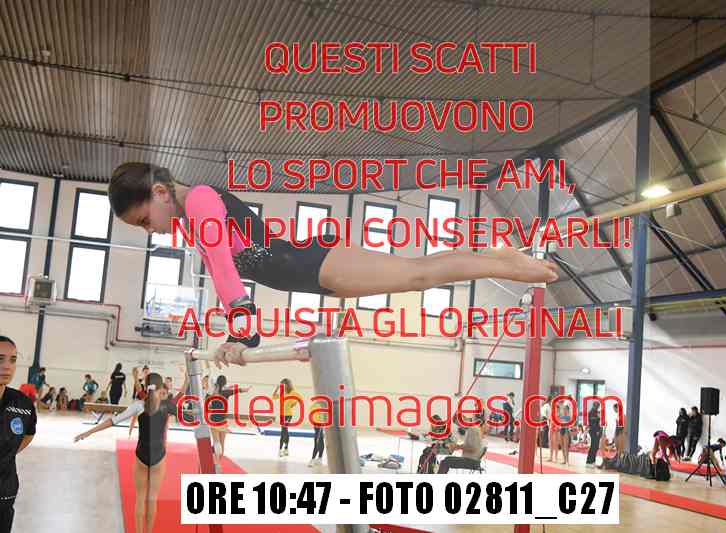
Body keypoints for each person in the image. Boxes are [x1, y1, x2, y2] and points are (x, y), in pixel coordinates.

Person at [106, 163, 559, 367]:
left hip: (313, 263)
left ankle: (502, 265)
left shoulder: (201, 200)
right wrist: (237, 332)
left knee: (417, 276)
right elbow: (225, 276)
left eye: (144, 220)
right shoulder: (192, 216)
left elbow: (225, 270)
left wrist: (243, 332)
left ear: (159, 193)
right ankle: (495, 257)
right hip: (310, 269)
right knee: (415, 269)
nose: (150, 230)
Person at [75, 371, 187, 533]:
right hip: (158, 457)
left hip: (141, 455)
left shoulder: (139, 405)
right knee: (152, 498)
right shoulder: (167, 405)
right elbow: (184, 406)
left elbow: (112, 421)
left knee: (140, 498)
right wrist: (187, 380)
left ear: (146, 386)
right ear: (160, 387)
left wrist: (89, 432)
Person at [0, 335, 37, 533]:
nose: (7, 366)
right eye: (0, 359)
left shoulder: (23, 403)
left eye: (12, 360)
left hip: (5, 487)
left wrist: (8, 452)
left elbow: (29, 433)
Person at [208, 375, 251, 469]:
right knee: (222, 443)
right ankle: (218, 463)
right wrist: (246, 389)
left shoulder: (213, 393)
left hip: (213, 420)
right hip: (222, 421)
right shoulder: (226, 393)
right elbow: (238, 390)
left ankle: (215, 461)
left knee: (216, 442)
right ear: (225, 383)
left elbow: (209, 404)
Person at [272, 378, 302, 458]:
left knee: (283, 431)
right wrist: (277, 388)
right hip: (282, 414)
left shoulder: (292, 392)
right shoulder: (282, 393)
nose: (282, 386)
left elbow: (300, 398)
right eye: (281, 385)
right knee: (285, 431)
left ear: (287, 384)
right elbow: (273, 397)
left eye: (283, 384)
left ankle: (280, 450)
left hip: (288, 415)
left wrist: (294, 404)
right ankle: (286, 448)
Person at [308, 399, 328, 467]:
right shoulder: (315, 405)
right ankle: (320, 458)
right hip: (316, 424)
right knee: (320, 439)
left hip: (319, 424)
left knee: (317, 440)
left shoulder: (323, 405)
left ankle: (313, 459)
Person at [556, 399, 573, 465]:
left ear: (568, 410)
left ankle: (567, 460)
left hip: (566, 431)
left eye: (565, 409)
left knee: (566, 446)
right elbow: (559, 424)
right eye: (564, 409)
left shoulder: (569, 417)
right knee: (562, 446)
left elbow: (570, 425)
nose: (564, 410)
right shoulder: (561, 416)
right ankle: (564, 459)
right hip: (561, 431)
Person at [586, 401, 603, 466]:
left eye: (598, 406)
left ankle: (593, 460)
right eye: (597, 405)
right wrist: (597, 431)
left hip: (597, 431)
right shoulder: (591, 412)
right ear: (594, 405)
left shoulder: (597, 412)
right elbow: (592, 423)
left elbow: (599, 422)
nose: (597, 407)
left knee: (596, 447)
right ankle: (589, 461)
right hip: (594, 431)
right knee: (593, 446)